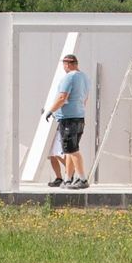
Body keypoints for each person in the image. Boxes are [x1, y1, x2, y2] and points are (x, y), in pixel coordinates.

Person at [42, 53, 89, 189]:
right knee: (69, 150)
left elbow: (62, 97)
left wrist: (51, 110)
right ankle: (68, 179)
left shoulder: (69, 77)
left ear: (67, 64)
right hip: (79, 117)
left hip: (68, 119)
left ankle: (82, 179)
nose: (64, 67)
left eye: (64, 64)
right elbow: (85, 99)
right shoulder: (85, 77)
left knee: (72, 150)